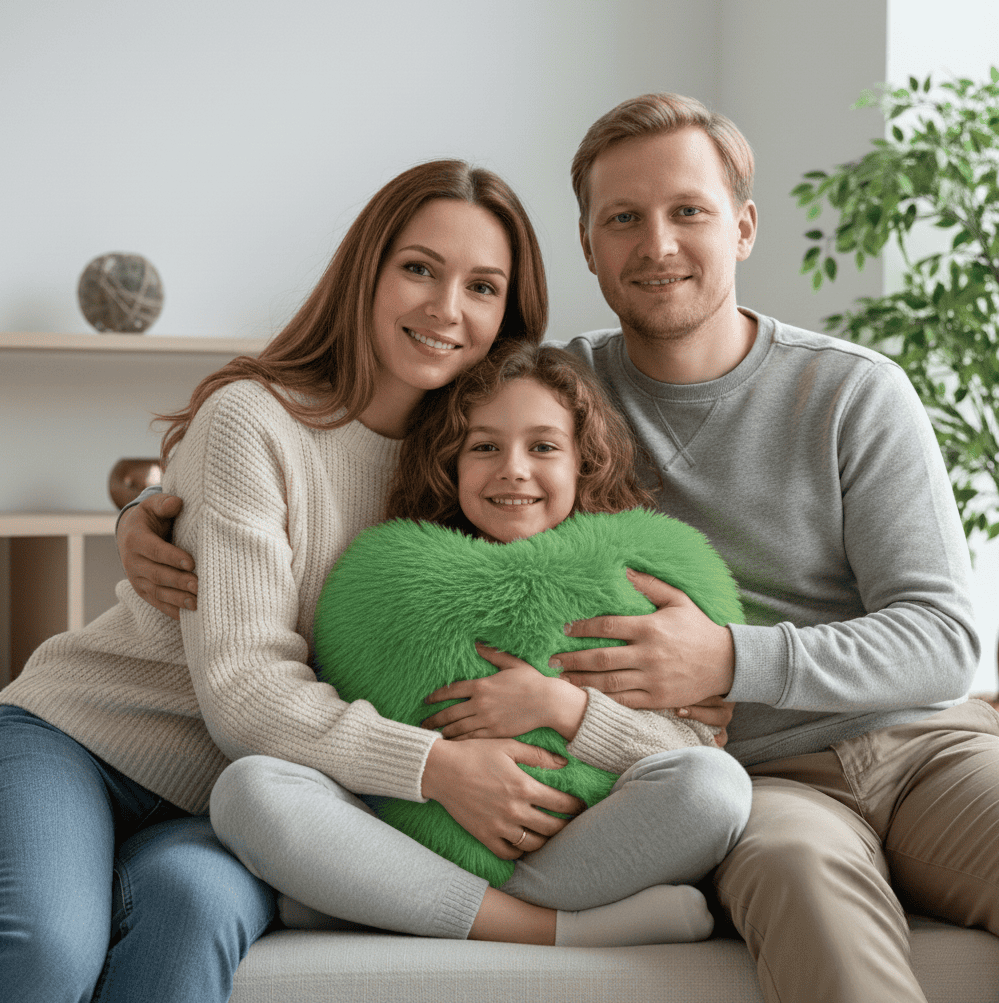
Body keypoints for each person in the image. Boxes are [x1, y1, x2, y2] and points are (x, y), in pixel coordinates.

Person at [119, 95, 998, 1003]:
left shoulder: (853, 392)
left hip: (926, 748)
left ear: (742, 227)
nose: (656, 244)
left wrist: (727, 657)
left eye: (687, 211)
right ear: (587, 246)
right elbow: (392, 437)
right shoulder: (565, 387)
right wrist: (155, 509)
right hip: (766, 781)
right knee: (795, 883)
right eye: (624, 219)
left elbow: (943, 640)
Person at [0, 159, 559, 1002]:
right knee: (45, 950)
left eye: (483, 287)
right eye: (419, 268)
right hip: (81, 745)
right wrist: (436, 767)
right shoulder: (254, 420)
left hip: (232, 799)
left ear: (509, 315)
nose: (446, 307)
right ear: (366, 273)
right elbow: (245, 689)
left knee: (193, 918)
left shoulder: (482, 469)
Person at [208, 340, 750, 944]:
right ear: (451, 463)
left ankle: (388, 903)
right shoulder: (391, 581)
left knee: (715, 789)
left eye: (543, 447)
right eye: (485, 446)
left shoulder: (638, 581)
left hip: (575, 847)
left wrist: (563, 708)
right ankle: (554, 929)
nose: (513, 469)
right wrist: (440, 770)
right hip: (417, 837)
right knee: (247, 790)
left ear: (584, 461)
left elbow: (694, 748)